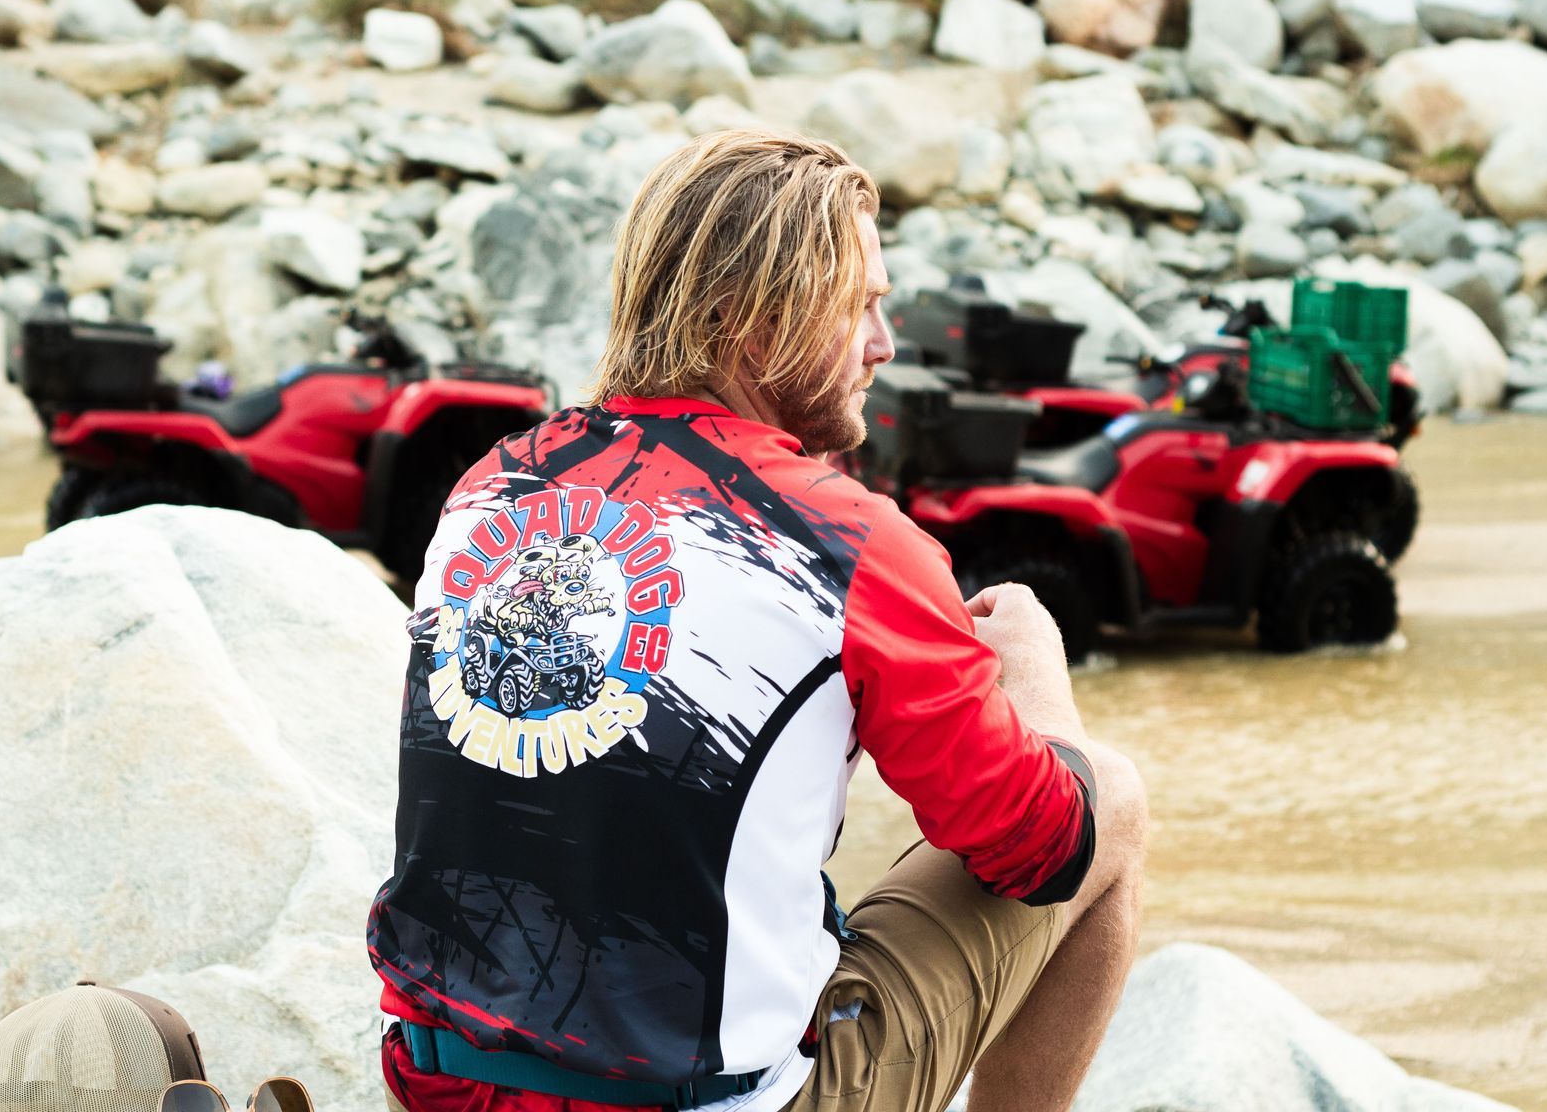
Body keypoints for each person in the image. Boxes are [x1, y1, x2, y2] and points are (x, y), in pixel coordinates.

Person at [368, 129, 1147, 1112]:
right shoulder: (850, 542)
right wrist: (1038, 677)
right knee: (1108, 797)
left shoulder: (494, 484)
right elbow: (1038, 851)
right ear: (752, 322)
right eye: (860, 304)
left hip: (438, 1086)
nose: (886, 343)